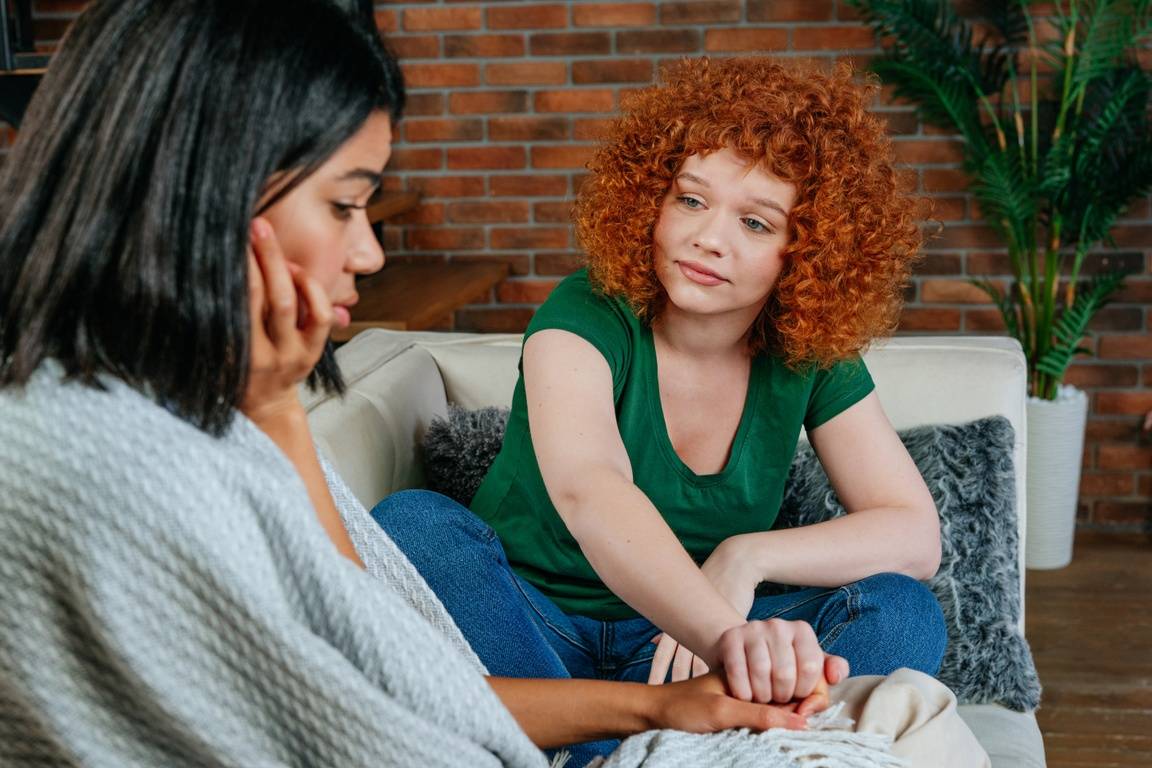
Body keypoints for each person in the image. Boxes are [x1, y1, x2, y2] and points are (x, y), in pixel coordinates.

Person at [0, 3, 847, 766]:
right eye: (344, 206)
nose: (369, 253)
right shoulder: (105, 462)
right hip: (554, 622)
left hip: (640, 664)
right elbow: (386, 728)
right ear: (203, 190)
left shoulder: (201, 406)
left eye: (755, 222)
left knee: (893, 623)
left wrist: (661, 706)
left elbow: (397, 679)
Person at [372, 56, 949, 741]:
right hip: (530, 628)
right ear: (651, 198)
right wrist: (725, 635)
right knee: (413, 525)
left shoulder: (811, 355)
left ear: (808, 252)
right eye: (692, 199)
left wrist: (745, 559)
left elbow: (913, 534)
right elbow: (592, 488)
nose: (709, 238)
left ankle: (598, 750)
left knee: (904, 610)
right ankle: (614, 748)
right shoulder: (587, 311)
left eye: (756, 224)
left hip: (680, 660)